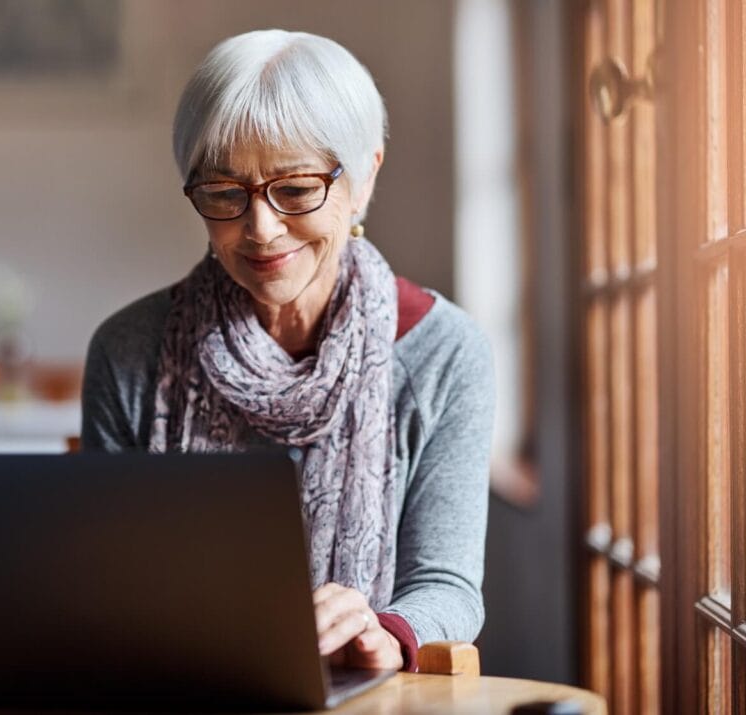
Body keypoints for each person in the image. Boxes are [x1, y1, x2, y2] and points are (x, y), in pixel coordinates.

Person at [81, 29, 494, 673]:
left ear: (361, 182)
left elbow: (447, 584)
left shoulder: (445, 352)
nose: (261, 229)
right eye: (223, 193)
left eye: (297, 189)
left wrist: (385, 631)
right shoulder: (128, 352)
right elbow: (108, 581)